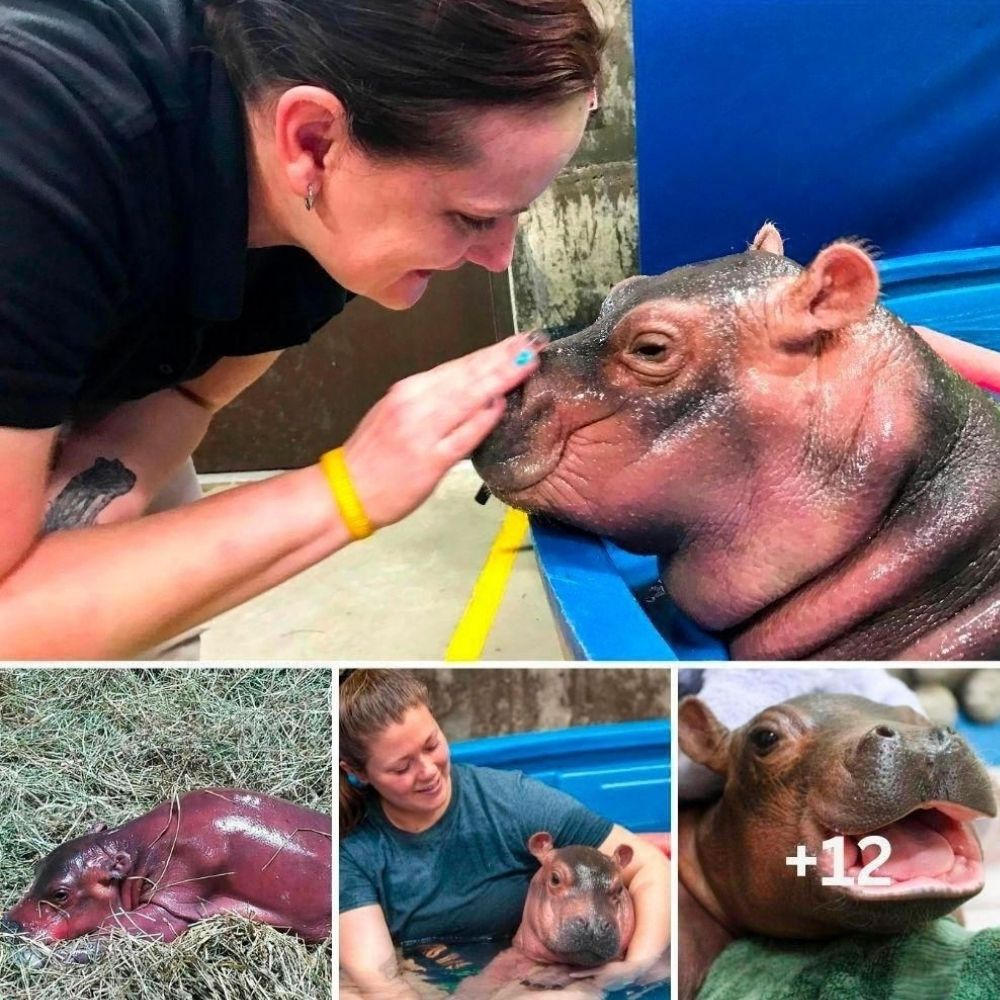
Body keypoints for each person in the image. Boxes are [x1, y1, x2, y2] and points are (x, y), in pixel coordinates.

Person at [0, 0, 605, 657]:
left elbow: (189, 394)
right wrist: (352, 485)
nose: (498, 257)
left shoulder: (326, 225)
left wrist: (85, 523)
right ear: (312, 141)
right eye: (470, 216)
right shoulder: (36, 153)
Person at [339, 669, 671, 998]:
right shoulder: (353, 845)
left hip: (538, 972)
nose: (428, 772)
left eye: (432, 745)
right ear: (357, 772)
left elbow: (649, 865)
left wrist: (636, 966)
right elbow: (380, 979)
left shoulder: (511, 802)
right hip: (422, 974)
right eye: (401, 767)